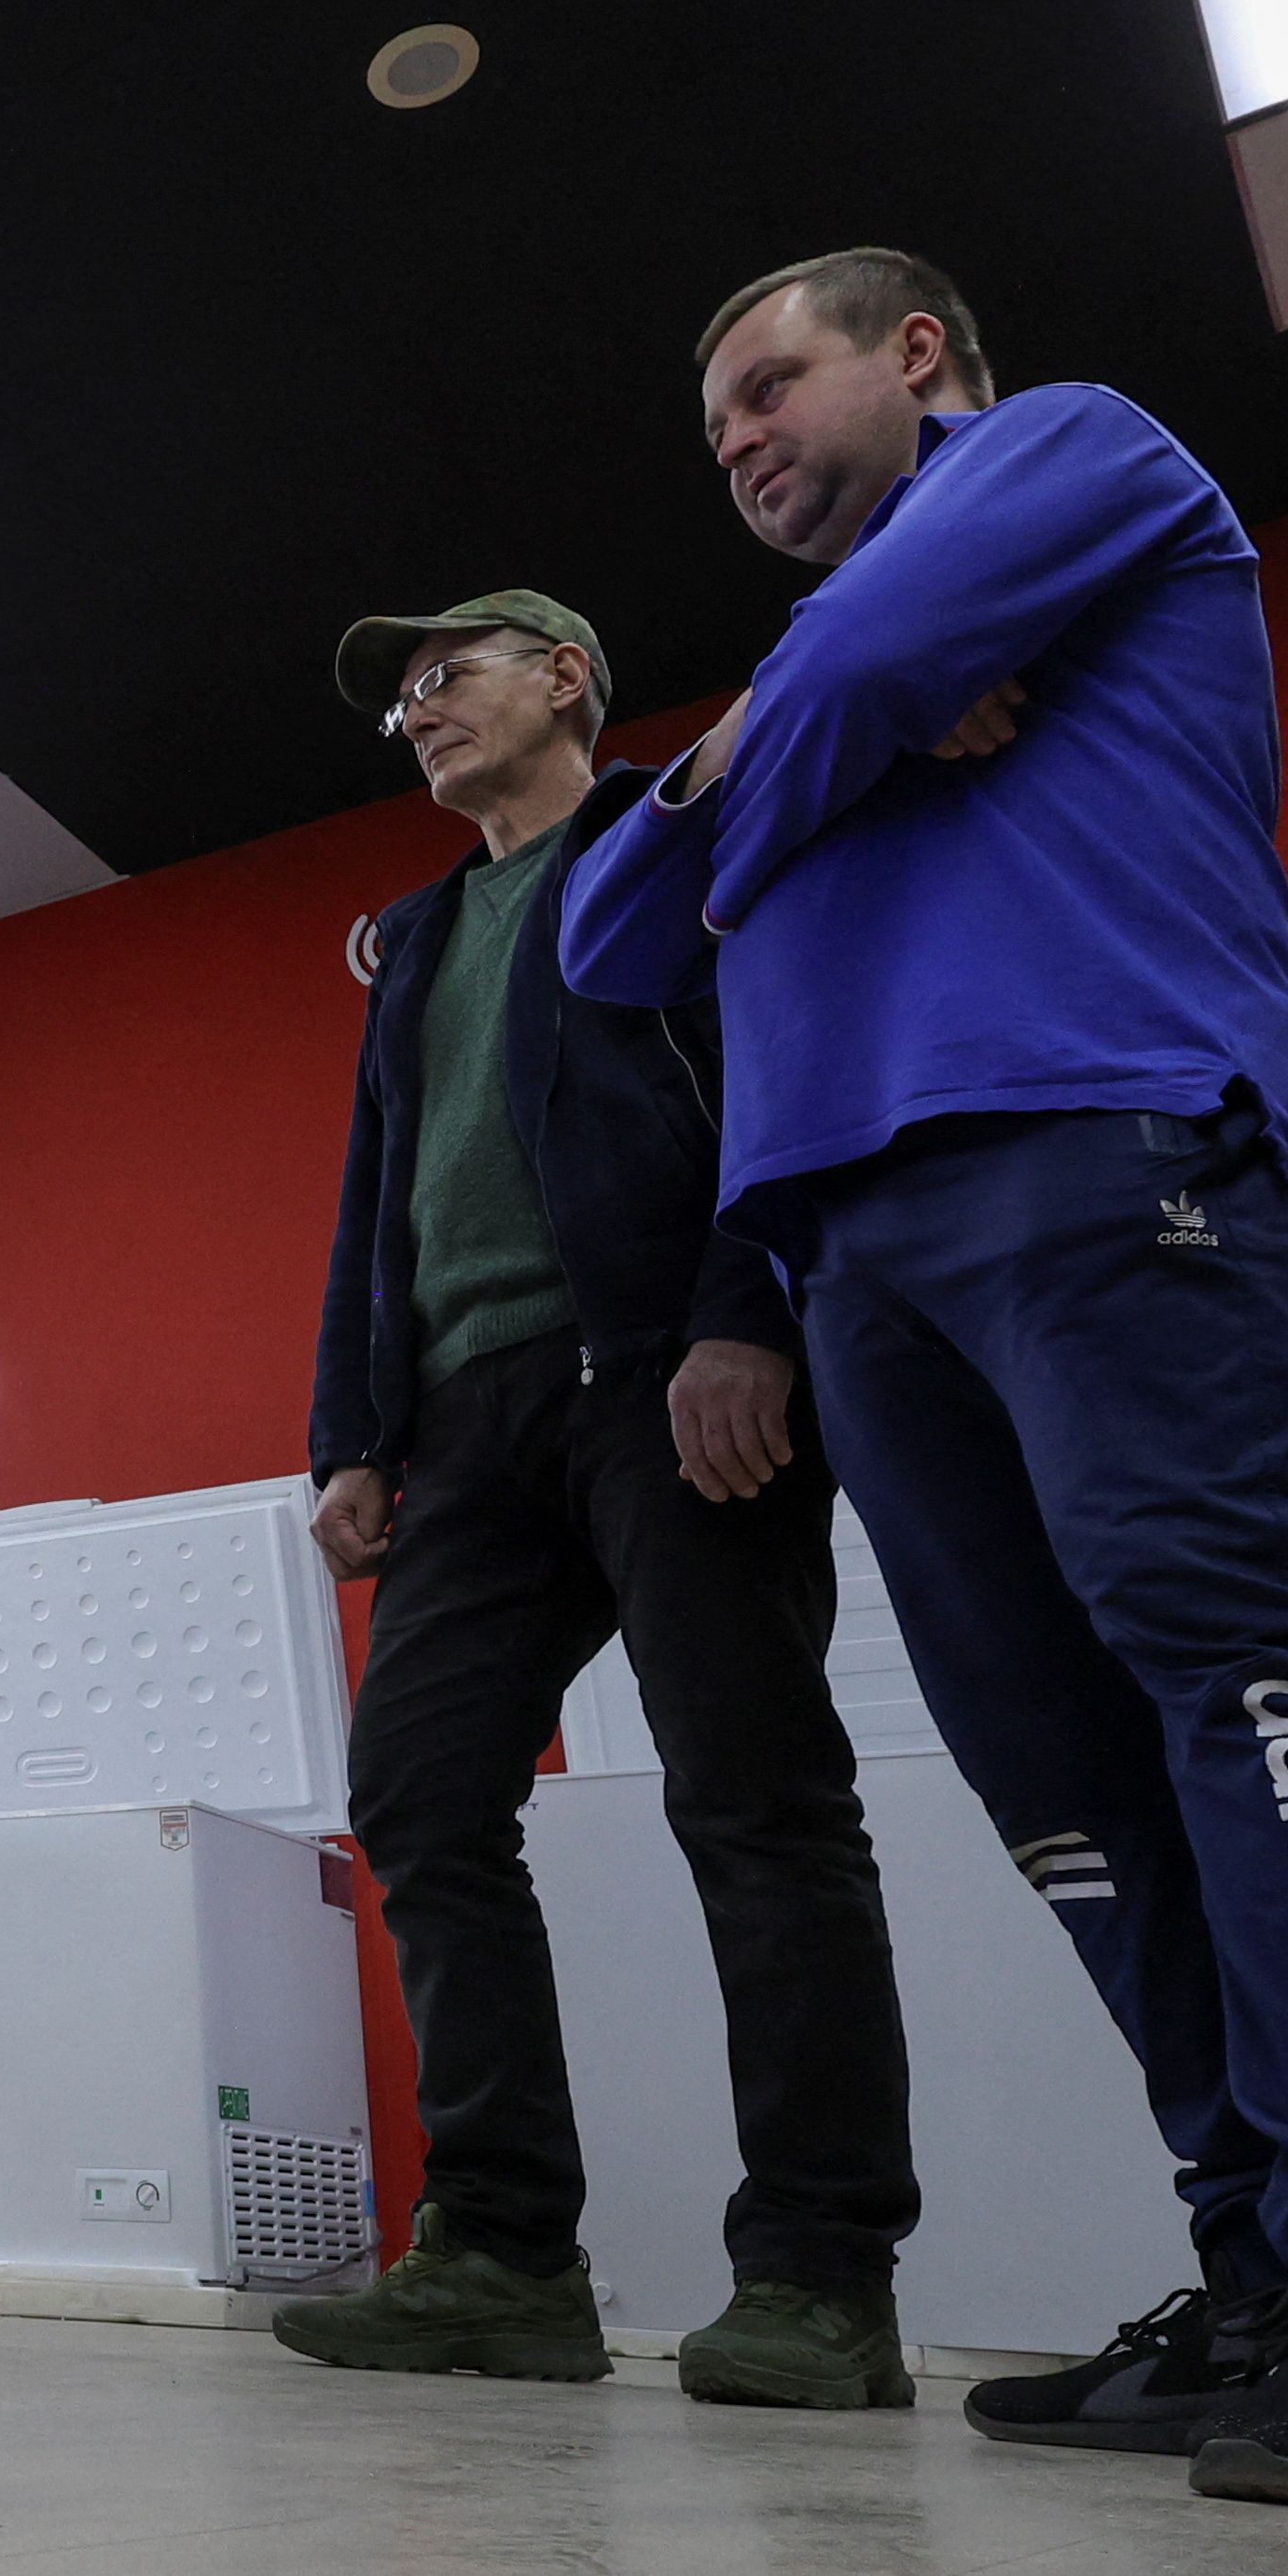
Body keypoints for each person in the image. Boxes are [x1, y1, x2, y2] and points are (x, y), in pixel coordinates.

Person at [563, 248, 1288, 2519]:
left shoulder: (1068, 453)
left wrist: (783, 742)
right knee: (1059, 1772)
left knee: (1236, 1659)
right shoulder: (856, 640)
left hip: (1107, 1129)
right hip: (860, 1250)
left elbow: (840, 688)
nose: (738, 439)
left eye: (771, 383)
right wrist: (805, 731)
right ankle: (1263, 2277)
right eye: (714, 423)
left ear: (916, 352)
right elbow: (604, 935)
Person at [270, 587, 920, 2410]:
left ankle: (819, 2278)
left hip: (660, 1376)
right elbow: (375, 1197)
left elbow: (785, 1072)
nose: (417, 710)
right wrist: (351, 1432)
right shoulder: (414, 938)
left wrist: (746, 1315)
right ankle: (498, 2258)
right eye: (399, 698)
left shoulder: (673, 839)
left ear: (564, 677)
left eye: (446, 674)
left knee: (755, 1799)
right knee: (417, 1798)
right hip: (464, 1426)